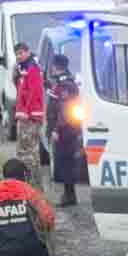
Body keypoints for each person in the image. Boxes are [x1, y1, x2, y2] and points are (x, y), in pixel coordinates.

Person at [45, 53, 81, 207]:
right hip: (66, 129)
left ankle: (69, 196)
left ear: (55, 66)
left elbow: (63, 110)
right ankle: (68, 194)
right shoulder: (62, 82)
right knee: (66, 163)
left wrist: (56, 130)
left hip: (65, 130)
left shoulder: (65, 85)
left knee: (66, 163)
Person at [13, 42, 45, 187]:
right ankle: (28, 185)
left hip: (30, 117)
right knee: (23, 152)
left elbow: (34, 92)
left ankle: (34, 186)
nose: (19, 56)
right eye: (17, 54)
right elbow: (21, 91)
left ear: (27, 52)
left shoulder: (32, 69)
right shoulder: (23, 68)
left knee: (30, 153)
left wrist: (26, 112)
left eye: (21, 53)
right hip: (25, 116)